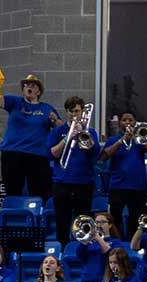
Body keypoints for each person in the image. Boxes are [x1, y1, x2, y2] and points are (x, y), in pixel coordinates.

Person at [0, 74, 57, 198]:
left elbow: (59, 127)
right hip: (13, 153)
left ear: (38, 91)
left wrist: (55, 119)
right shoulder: (15, 102)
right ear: (23, 89)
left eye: (33, 85)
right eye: (26, 85)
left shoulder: (46, 108)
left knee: (38, 192)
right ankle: (14, 215)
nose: (29, 86)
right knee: (12, 191)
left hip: (37, 155)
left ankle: (37, 215)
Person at [46, 96, 101, 247]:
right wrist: (67, 138)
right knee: (62, 222)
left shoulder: (90, 132)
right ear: (67, 112)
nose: (74, 114)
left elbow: (95, 154)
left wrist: (82, 134)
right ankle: (63, 252)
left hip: (83, 183)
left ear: (82, 112)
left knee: (83, 223)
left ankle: (81, 252)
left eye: (77, 110)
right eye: (71, 111)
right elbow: (52, 154)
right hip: (62, 183)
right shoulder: (58, 131)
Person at [101, 111, 147, 238]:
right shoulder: (113, 139)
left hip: (138, 187)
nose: (128, 123)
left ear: (135, 123)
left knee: (136, 220)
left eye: (130, 120)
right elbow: (104, 156)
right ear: (120, 123)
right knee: (114, 220)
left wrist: (141, 139)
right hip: (117, 186)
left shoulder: (140, 139)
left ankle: (134, 247)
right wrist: (122, 141)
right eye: (124, 120)